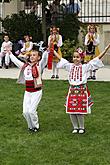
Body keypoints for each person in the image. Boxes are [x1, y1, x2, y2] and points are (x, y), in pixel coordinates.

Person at [53, 44, 110, 134]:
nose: (75, 59)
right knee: (71, 111)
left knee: (80, 111)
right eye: (74, 57)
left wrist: (106, 50)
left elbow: (97, 59)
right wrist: (53, 50)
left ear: (82, 58)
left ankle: (81, 127)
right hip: (72, 91)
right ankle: (75, 127)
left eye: (78, 57)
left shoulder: (85, 67)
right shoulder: (69, 66)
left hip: (81, 91)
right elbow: (60, 59)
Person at [8, 46, 48, 133]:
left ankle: (36, 126)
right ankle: (30, 126)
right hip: (28, 92)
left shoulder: (39, 66)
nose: (32, 57)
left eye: (34, 55)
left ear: (38, 57)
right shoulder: (25, 66)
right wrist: (10, 53)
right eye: (31, 55)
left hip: (36, 92)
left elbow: (45, 58)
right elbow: (16, 61)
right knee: (25, 112)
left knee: (32, 111)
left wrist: (47, 51)